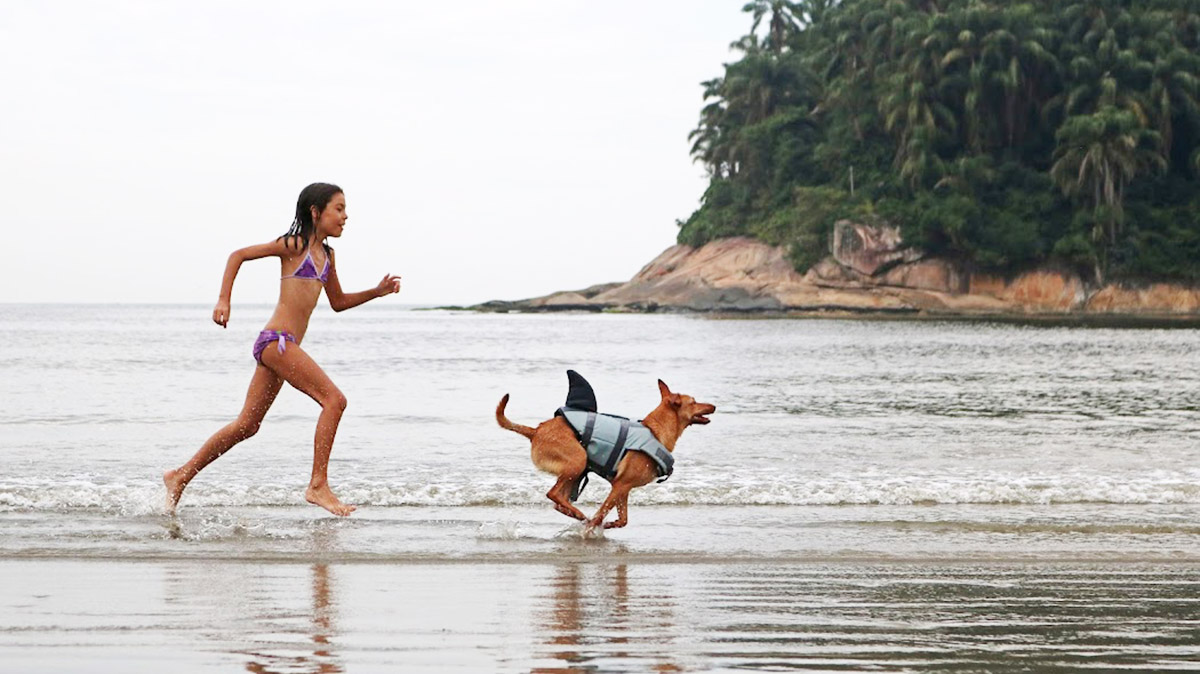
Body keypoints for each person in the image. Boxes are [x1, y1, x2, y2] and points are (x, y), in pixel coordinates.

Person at [164, 183, 400, 516]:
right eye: (339, 208)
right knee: (335, 401)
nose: (345, 216)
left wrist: (376, 292)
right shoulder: (294, 245)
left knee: (247, 425)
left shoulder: (328, 257)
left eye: (345, 209)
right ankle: (318, 485)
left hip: (279, 348)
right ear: (316, 212)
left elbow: (338, 302)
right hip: (277, 341)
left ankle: (180, 476)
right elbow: (238, 255)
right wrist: (223, 299)